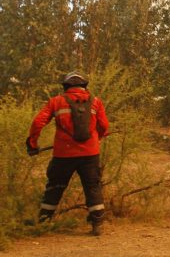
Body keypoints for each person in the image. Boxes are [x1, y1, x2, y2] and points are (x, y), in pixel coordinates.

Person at [25, 71, 109, 235]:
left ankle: (43, 222)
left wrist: (32, 143)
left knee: (55, 186)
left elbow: (38, 122)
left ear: (65, 86)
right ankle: (97, 224)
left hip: (63, 154)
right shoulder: (96, 102)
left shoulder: (56, 101)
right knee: (92, 186)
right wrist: (96, 138)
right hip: (90, 154)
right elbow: (104, 126)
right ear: (85, 86)